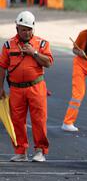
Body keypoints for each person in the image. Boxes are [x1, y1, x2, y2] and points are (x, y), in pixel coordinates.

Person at [0, 11, 54, 162]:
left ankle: (40, 151)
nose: (26, 32)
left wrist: (34, 52)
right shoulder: (8, 45)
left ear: (33, 29)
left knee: (39, 120)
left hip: (36, 87)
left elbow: (49, 62)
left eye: (29, 29)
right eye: (23, 29)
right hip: (16, 89)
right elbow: (2, 67)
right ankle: (21, 151)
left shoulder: (42, 44)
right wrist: (0, 88)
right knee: (17, 120)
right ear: (17, 28)